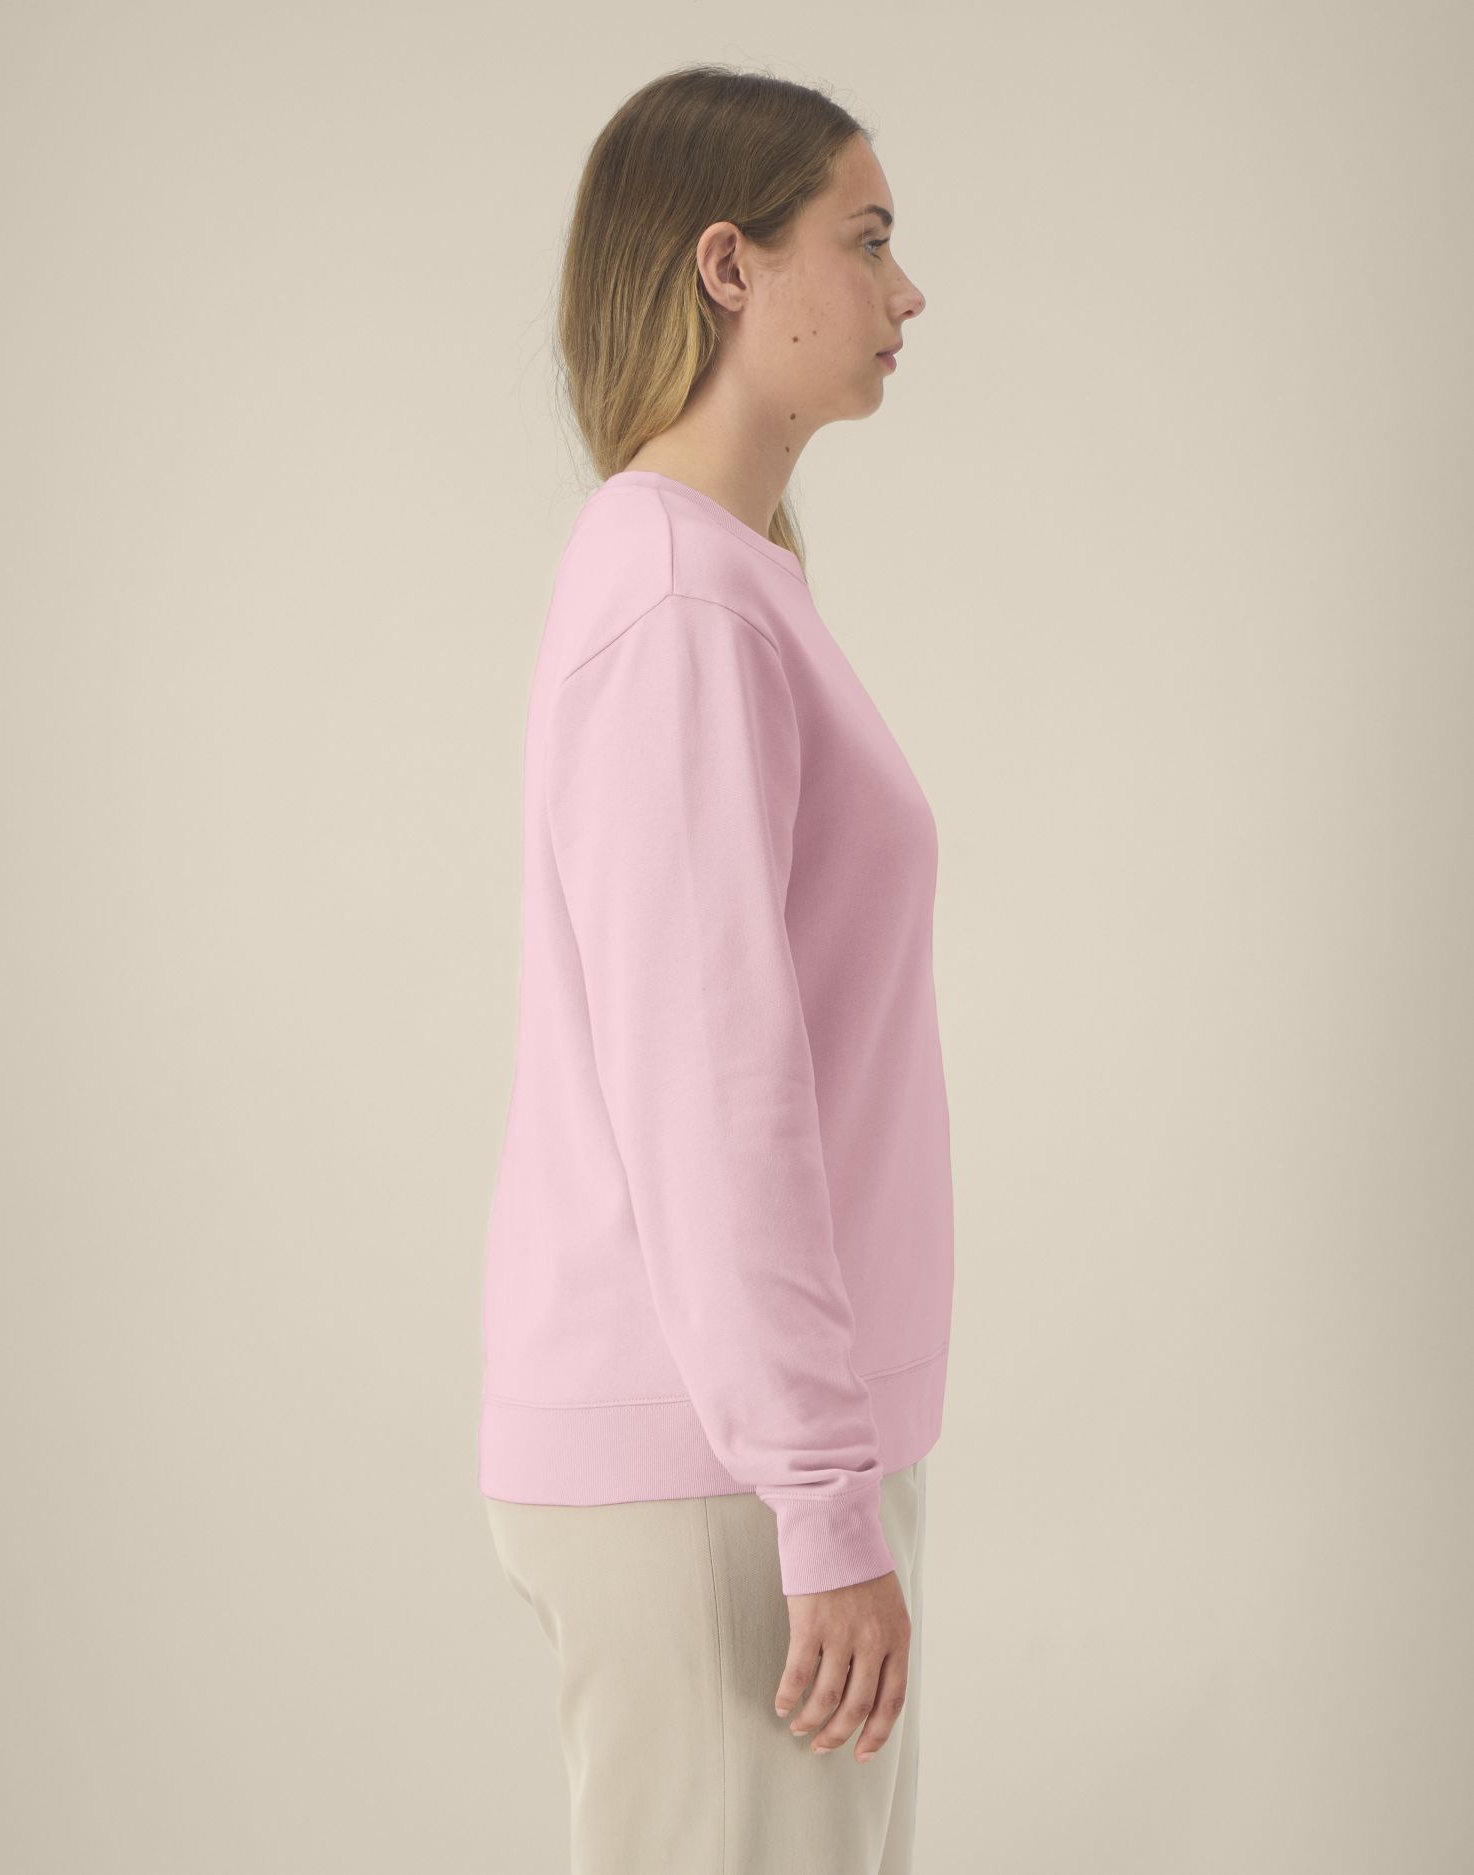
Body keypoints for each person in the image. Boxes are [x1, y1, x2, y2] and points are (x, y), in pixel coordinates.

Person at [479, 62, 951, 1875]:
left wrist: (832, 1480)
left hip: (750, 1461)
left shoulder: (724, 581)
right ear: (728, 265)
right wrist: (820, 1498)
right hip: (724, 1479)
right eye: (869, 238)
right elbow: (711, 1092)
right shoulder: (679, 600)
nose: (909, 290)